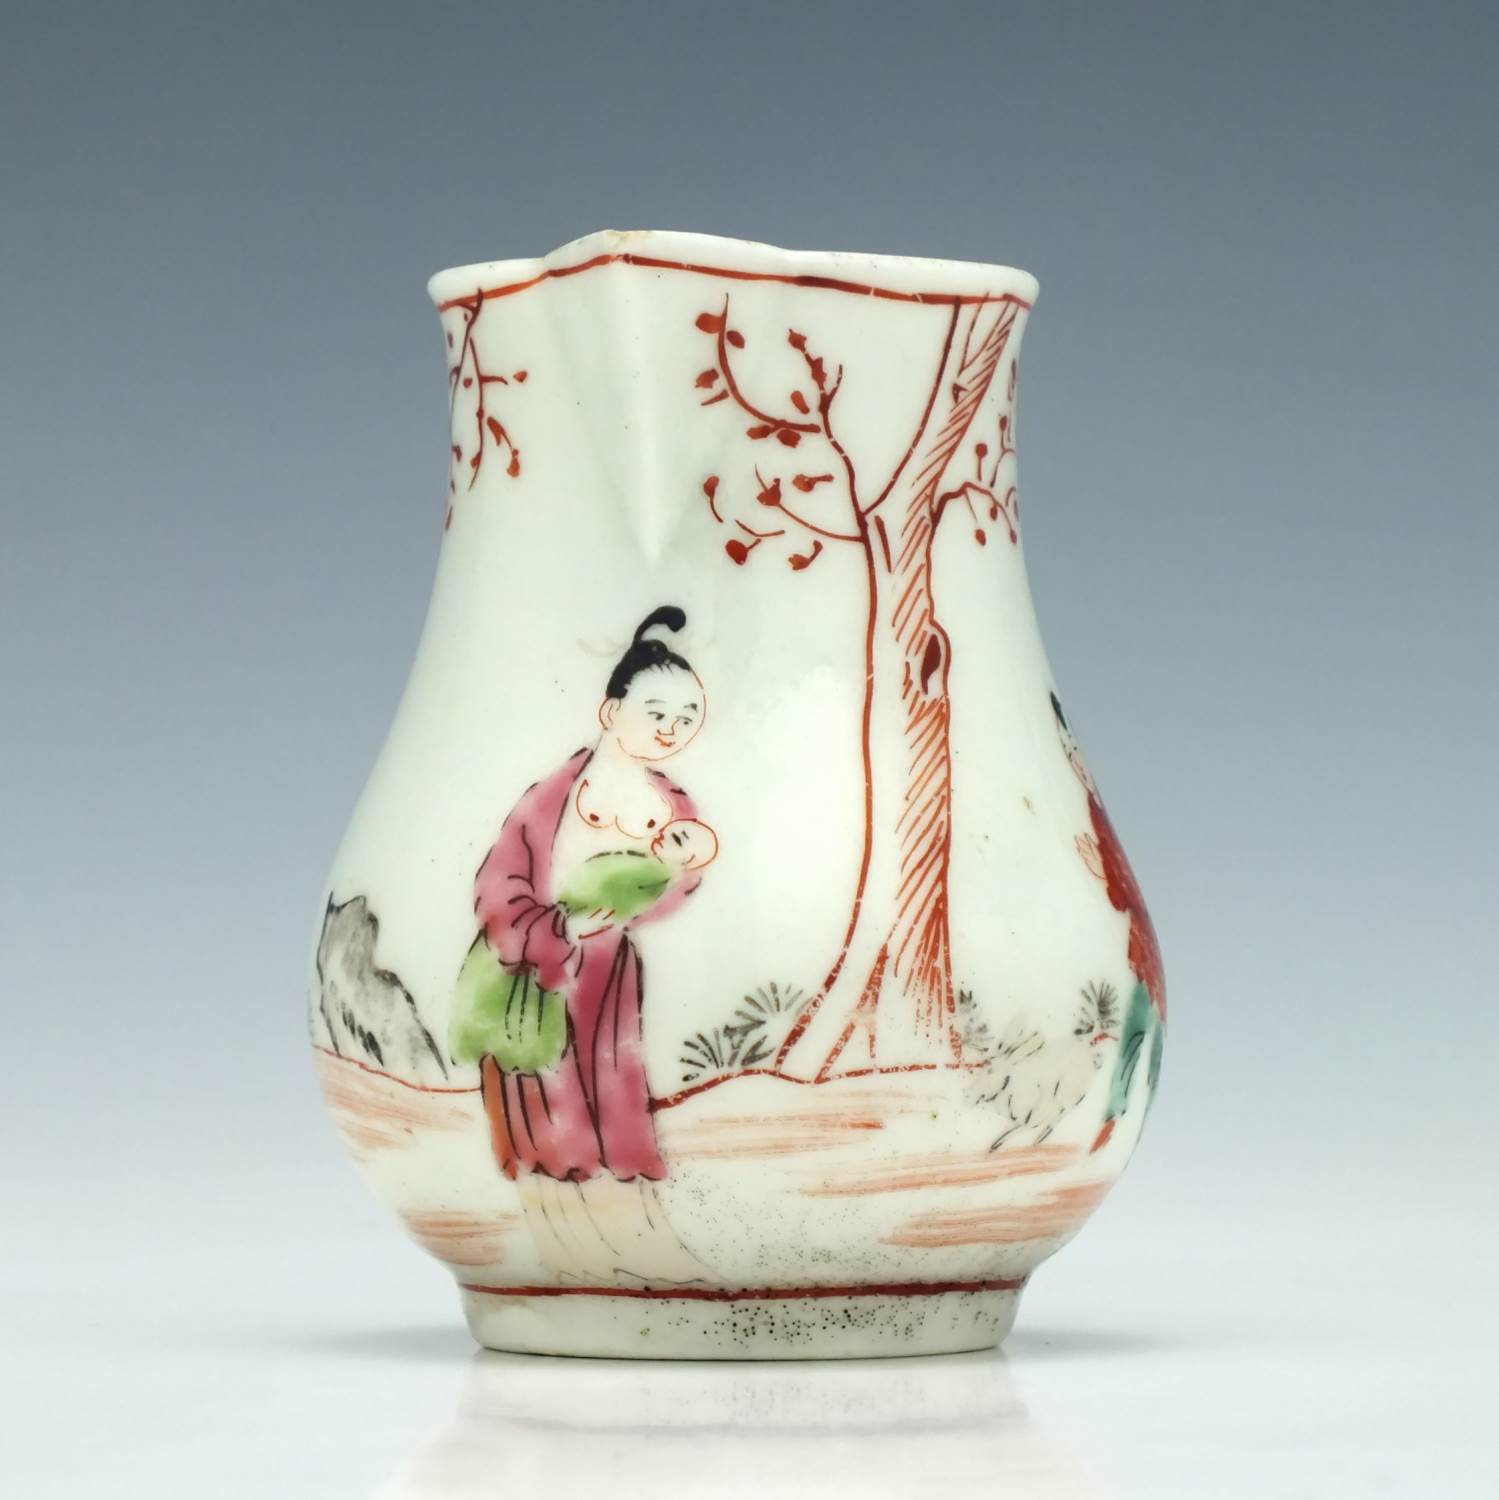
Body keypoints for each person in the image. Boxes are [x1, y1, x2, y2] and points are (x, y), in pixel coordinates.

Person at [461, 606, 718, 1184]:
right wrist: (553, 931)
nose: (671, 730)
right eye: (656, 712)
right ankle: (555, 1172)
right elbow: (500, 880)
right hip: (544, 964)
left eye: (687, 717)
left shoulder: (674, 806)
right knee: (547, 1080)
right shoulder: (552, 797)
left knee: (610, 1072)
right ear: (610, 711)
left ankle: (613, 1174)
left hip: (610, 969)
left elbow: (676, 887)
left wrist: (667, 880)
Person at [1051, 691, 1165, 1152]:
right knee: (1137, 1030)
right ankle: (1110, 1118)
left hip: (1132, 953)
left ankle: (1109, 1118)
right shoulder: (1083, 809)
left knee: (1138, 1031)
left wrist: (1098, 874)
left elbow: (1115, 891)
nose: (1074, 760)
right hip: (1132, 953)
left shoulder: (1082, 809)